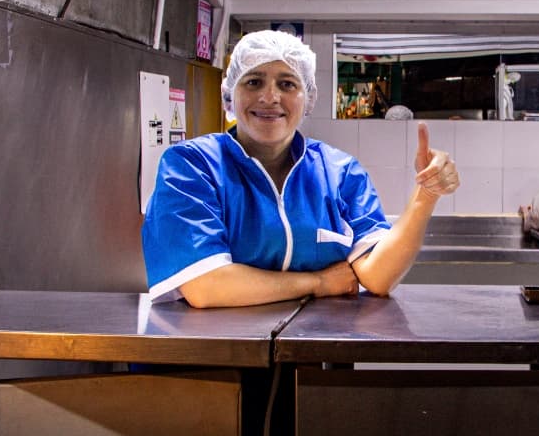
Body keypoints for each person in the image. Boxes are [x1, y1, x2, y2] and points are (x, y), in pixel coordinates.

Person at [141, 29, 460, 307]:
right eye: (253, 82)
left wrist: (425, 196)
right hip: (210, 366)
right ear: (230, 95)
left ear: (307, 98)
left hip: (311, 357)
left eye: (287, 84)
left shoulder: (339, 173)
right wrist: (319, 283)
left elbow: (378, 277)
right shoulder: (192, 167)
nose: (270, 97)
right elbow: (207, 286)